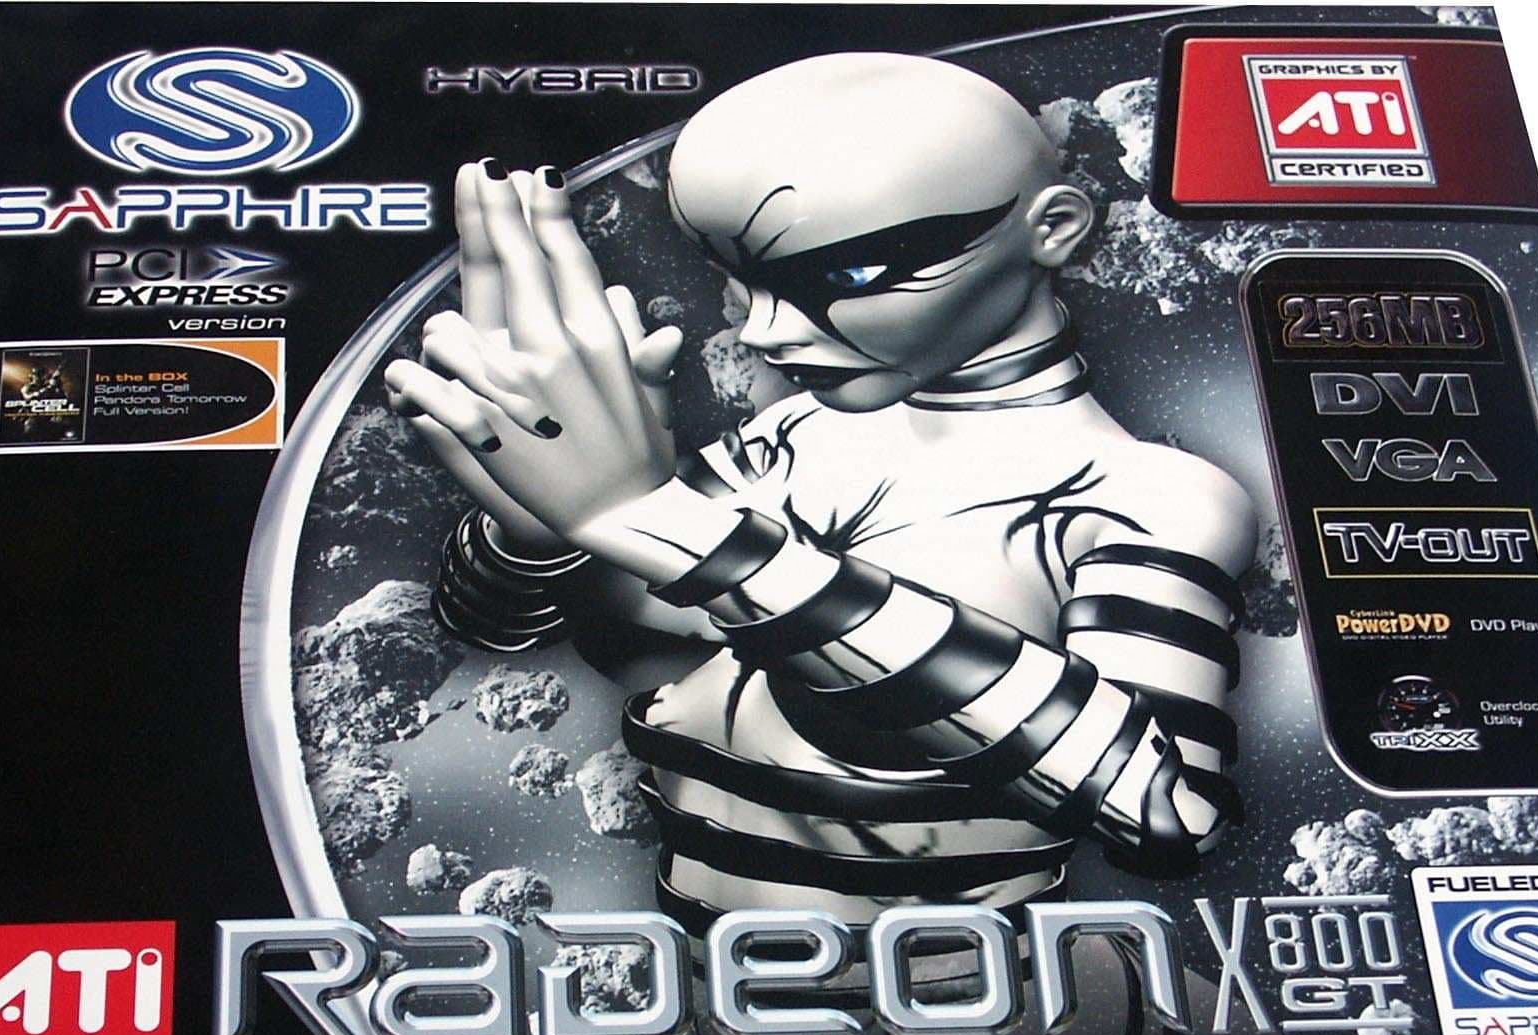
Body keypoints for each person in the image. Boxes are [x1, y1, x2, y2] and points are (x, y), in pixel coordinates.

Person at [385, 52, 1255, 934]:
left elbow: (1171, 814)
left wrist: (656, 522)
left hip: (977, 996)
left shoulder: (1142, 499)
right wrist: (535, 525)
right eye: (740, 280)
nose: (764, 332)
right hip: (706, 984)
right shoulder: (785, 441)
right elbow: (503, 625)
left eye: (846, 277)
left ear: (1055, 227)